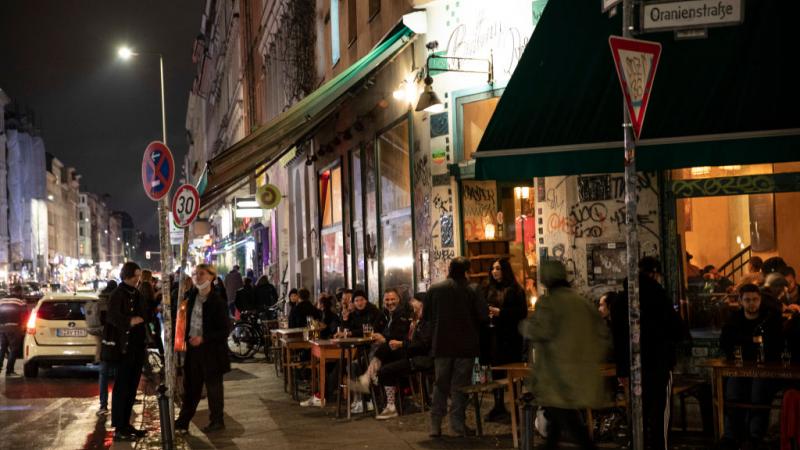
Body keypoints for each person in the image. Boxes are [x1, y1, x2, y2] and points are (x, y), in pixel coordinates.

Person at [520, 260, 609, 450]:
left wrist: (524, 326)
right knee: (563, 417)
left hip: (557, 375)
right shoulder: (581, 302)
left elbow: (540, 331)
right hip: (580, 372)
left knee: (564, 415)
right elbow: (601, 335)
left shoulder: (550, 303)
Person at [611, 257, 687, 450]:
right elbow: (678, 330)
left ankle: (636, 444)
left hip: (632, 367)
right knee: (660, 413)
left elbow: (618, 338)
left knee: (638, 413)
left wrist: (622, 369)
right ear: (655, 274)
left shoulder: (621, 299)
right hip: (658, 364)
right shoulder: (659, 295)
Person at [427, 257, 488, 437]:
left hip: (441, 344)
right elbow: (483, 316)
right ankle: (457, 424)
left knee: (440, 385)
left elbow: (427, 317)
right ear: (466, 271)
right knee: (460, 386)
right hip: (466, 346)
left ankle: (435, 425)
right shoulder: (473, 289)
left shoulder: (435, 289)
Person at [718, 284, 783, 449]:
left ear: (760, 300)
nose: (751, 303)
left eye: (755, 299)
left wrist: (744, 342)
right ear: (740, 301)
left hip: (765, 369)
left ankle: (755, 436)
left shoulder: (769, 318)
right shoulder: (734, 319)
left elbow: (775, 345)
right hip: (740, 368)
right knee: (732, 387)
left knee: (758, 390)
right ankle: (730, 436)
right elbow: (726, 343)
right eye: (747, 300)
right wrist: (751, 342)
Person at [175, 263, 231, 435]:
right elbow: (182, 323)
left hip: (212, 352)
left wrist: (204, 338)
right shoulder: (190, 298)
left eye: (201, 274)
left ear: (211, 277)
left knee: (214, 389)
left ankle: (217, 421)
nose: (198, 277)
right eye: (196, 274)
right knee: (191, 387)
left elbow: (224, 330)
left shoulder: (217, 301)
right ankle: (183, 421)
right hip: (193, 352)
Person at [366, 293, 432, 420]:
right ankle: (389, 401)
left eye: (414, 300)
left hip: (419, 359)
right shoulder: (415, 319)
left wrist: (401, 344)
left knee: (386, 368)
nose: (411, 302)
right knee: (386, 352)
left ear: (421, 304)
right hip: (410, 355)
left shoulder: (426, 322)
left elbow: (422, 344)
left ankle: (391, 406)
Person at [105, 262, 148, 442]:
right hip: (124, 348)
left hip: (137, 347)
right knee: (122, 387)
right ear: (127, 276)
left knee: (132, 387)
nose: (138, 280)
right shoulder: (117, 294)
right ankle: (119, 427)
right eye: (135, 276)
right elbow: (112, 317)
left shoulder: (136, 292)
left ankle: (126, 423)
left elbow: (144, 311)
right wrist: (129, 321)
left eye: (139, 276)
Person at [482, 257, 528, 423]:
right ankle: (498, 405)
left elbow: (521, 312)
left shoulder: (516, 290)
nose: (495, 272)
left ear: (505, 271)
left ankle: (515, 406)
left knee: (511, 371)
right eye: (493, 268)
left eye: (498, 268)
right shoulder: (488, 289)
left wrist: (501, 313)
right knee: (496, 371)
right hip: (494, 336)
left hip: (511, 337)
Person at [94, 280, 117, 415]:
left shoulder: (100, 301)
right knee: (119, 375)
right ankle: (120, 403)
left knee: (103, 374)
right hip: (115, 341)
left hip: (102, 342)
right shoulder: (115, 302)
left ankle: (103, 405)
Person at [0, 296, 26, 377]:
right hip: (14, 328)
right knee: (14, 349)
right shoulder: (20, 302)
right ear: (19, 292)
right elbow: (25, 314)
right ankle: (9, 371)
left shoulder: (1, 301)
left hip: (2, 328)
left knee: (2, 348)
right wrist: (23, 327)